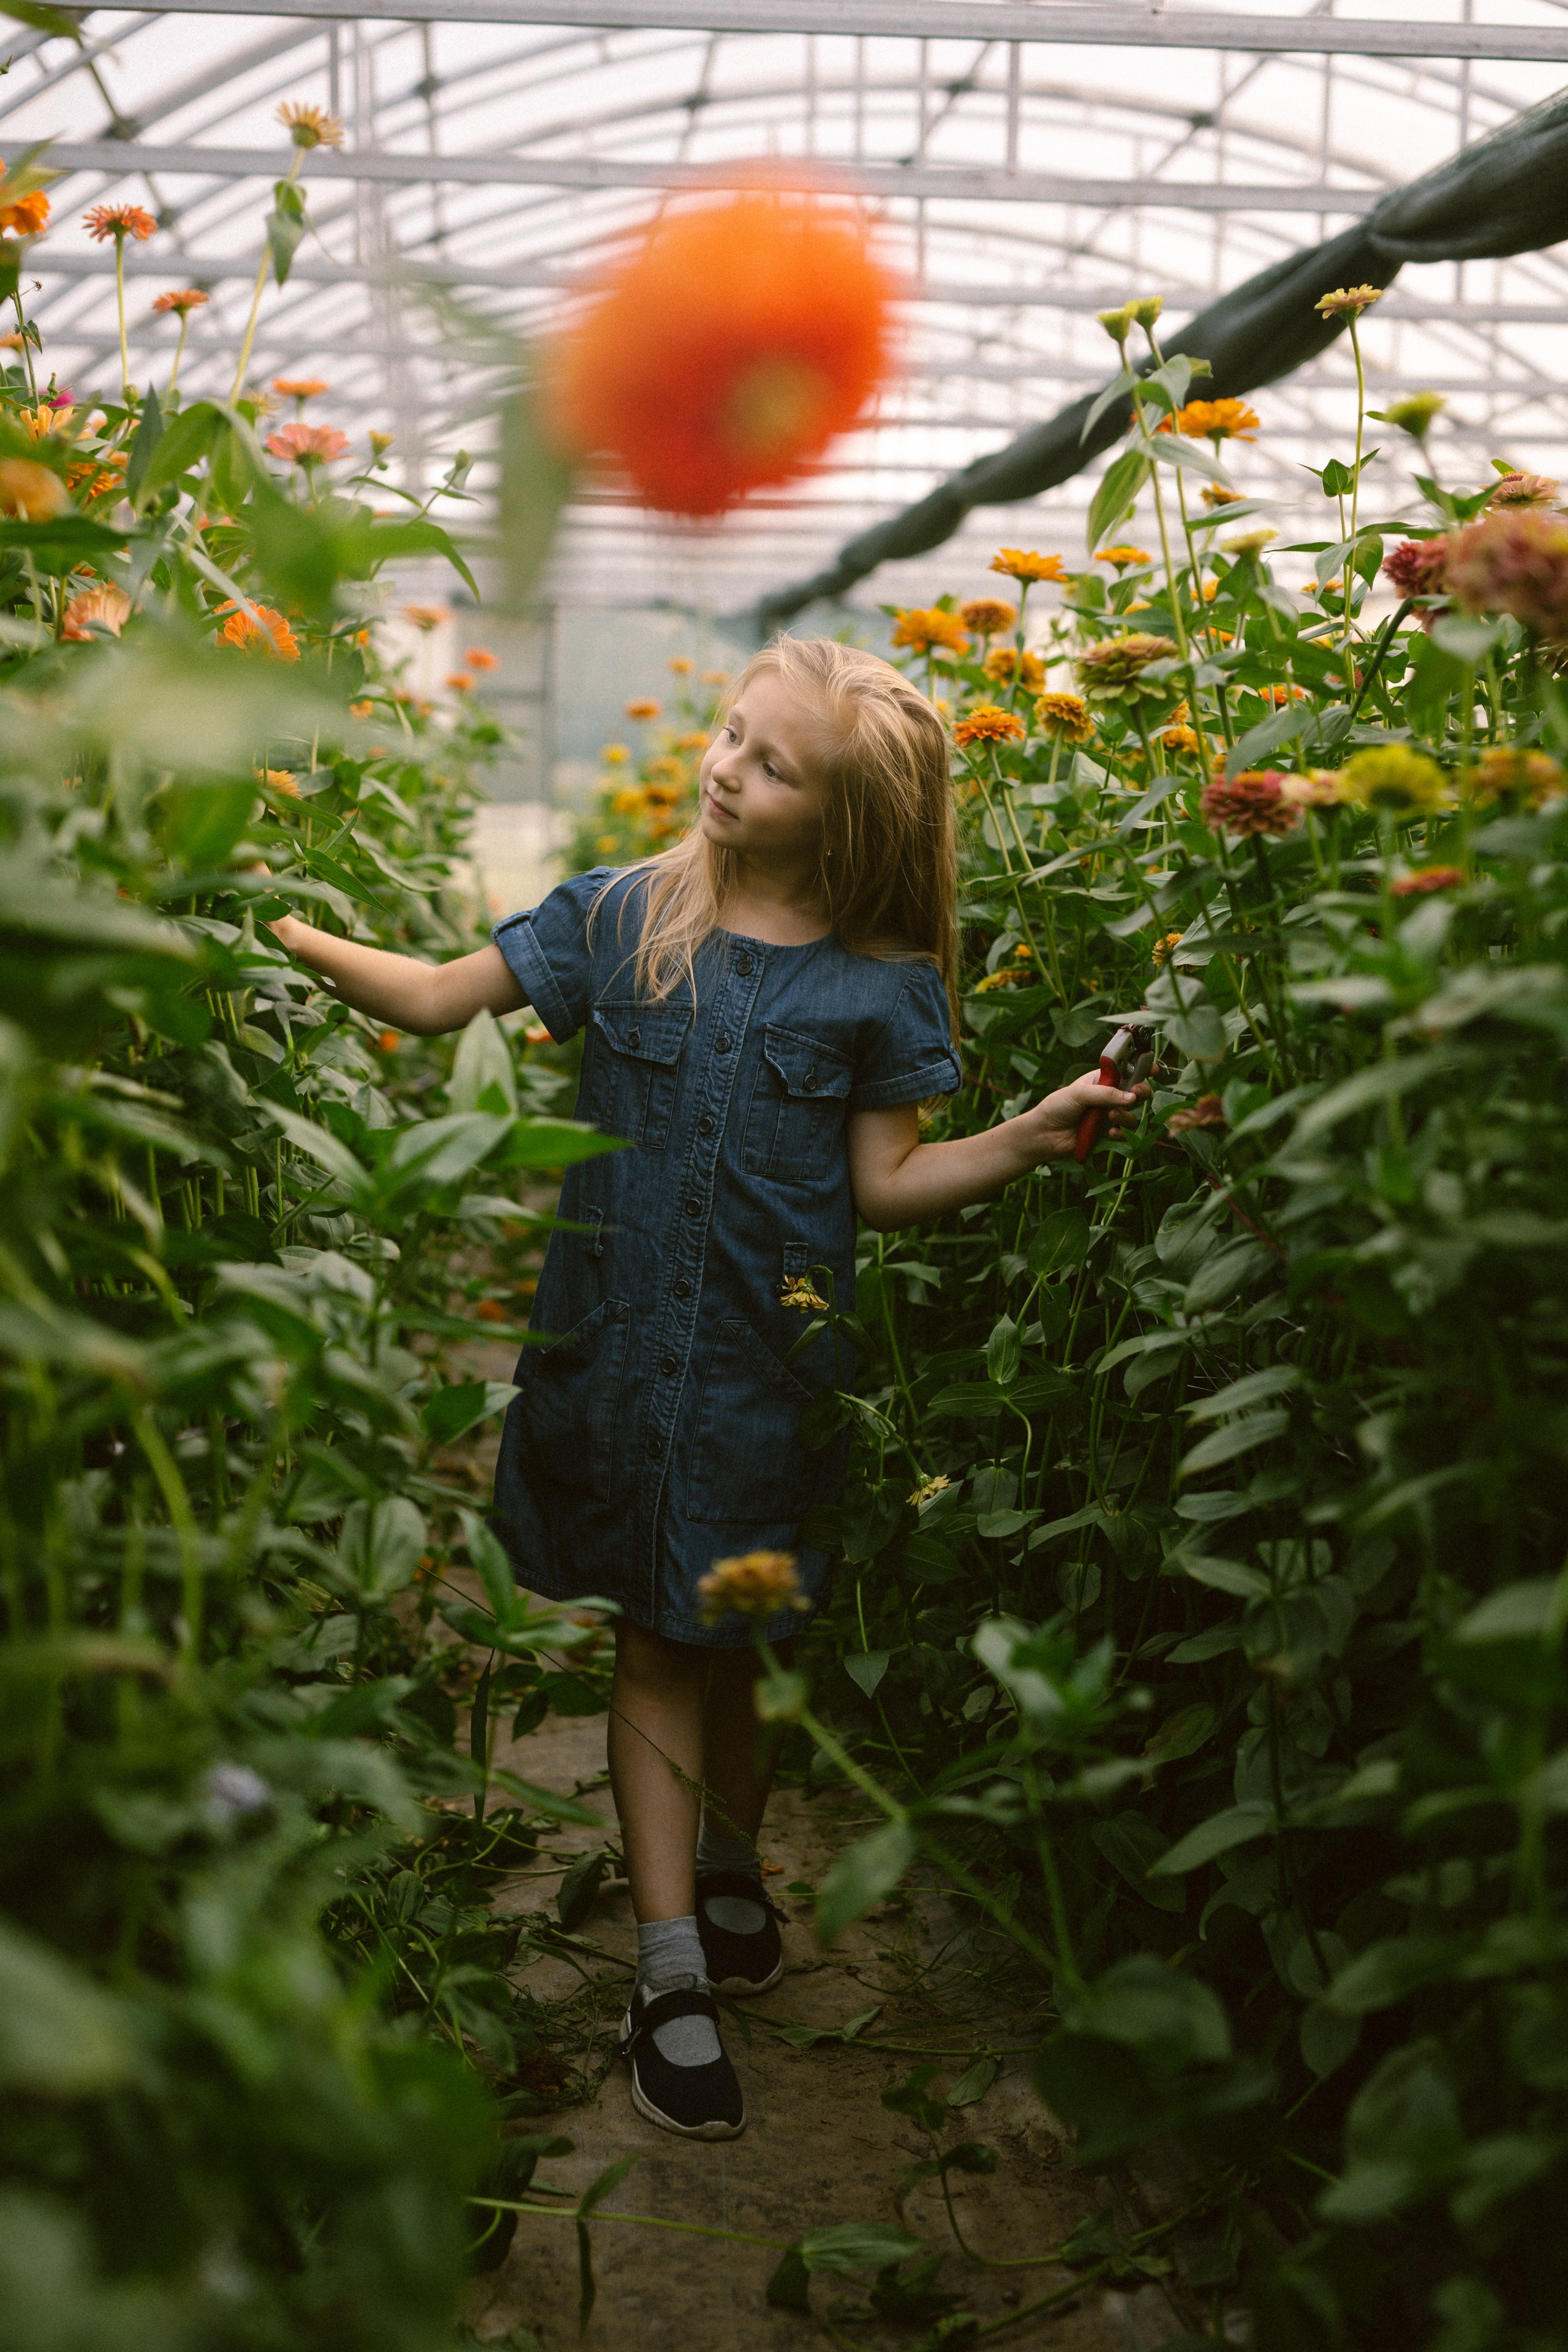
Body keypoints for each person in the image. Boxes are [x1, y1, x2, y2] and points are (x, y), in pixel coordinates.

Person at [263, 637, 1144, 2141]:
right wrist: (264, 922)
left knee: (747, 1640)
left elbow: (883, 1184)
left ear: (845, 822)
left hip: (767, 1378)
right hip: (619, 1363)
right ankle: (667, 1973)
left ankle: (730, 1867)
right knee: (662, 1649)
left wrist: (1030, 1133)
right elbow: (429, 1000)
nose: (725, 767)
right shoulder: (620, 917)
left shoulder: (879, 985)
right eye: (732, 734)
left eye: (771, 763)